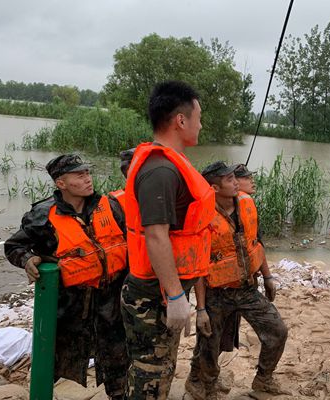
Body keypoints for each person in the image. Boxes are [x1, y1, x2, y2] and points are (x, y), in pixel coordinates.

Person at [4, 154, 129, 399]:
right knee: (57, 358)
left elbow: (130, 241)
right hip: (70, 306)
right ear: (61, 183)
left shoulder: (110, 206)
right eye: (79, 175)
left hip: (111, 301)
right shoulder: (43, 216)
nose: (87, 179)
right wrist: (27, 259)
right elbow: (13, 246)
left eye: (88, 173)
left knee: (117, 360)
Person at [120, 81, 215, 399]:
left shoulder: (172, 163)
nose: (201, 125)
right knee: (150, 376)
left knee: (160, 372)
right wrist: (175, 296)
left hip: (163, 292)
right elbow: (156, 235)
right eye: (199, 117)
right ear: (181, 120)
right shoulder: (160, 170)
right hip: (152, 297)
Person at [185, 161, 289, 400]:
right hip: (216, 293)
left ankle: (263, 379)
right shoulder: (202, 215)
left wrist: (268, 276)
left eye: (235, 178)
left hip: (247, 288)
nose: (236, 183)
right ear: (214, 188)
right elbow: (198, 267)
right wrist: (200, 309)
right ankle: (207, 386)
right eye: (230, 179)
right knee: (209, 344)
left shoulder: (247, 204)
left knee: (278, 330)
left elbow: (255, 244)